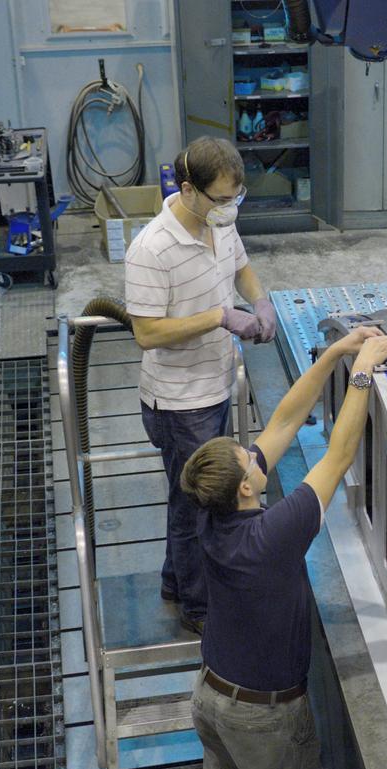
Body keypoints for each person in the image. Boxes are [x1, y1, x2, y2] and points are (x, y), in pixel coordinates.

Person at [180, 326, 387, 769]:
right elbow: (338, 456)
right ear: (249, 487)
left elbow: (283, 421)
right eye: (243, 454)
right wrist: (363, 370)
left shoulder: (211, 510)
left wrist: (335, 355)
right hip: (264, 717)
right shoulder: (271, 536)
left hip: (211, 696)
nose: (250, 450)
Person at [124, 136, 279, 633]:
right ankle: (199, 608)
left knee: (183, 498)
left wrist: (260, 303)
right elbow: (146, 333)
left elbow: (241, 268)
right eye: (220, 199)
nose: (229, 209)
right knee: (202, 506)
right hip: (179, 402)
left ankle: (176, 582)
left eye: (237, 198)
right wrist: (218, 316)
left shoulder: (221, 223)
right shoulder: (152, 248)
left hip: (214, 387)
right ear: (188, 190)